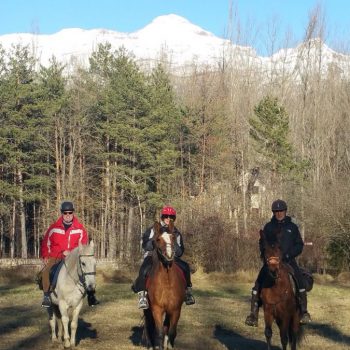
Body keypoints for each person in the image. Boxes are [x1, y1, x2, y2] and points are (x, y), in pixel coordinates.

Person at [245, 199, 311, 326]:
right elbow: (262, 243)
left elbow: (299, 245)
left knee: (299, 280)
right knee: (257, 284)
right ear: (273, 212)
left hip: (288, 260)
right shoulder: (268, 227)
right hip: (271, 262)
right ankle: (253, 315)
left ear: (285, 211)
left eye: (281, 211)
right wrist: (266, 256)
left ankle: (303, 312)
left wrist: (288, 255)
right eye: (276, 211)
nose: (279, 213)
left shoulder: (292, 227)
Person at [132, 205, 195, 309]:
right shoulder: (153, 229)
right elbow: (144, 244)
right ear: (162, 217)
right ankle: (142, 295)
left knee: (185, 267)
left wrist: (172, 243)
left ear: (174, 219)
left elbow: (180, 251)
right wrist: (154, 243)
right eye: (166, 216)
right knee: (144, 269)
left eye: (171, 217)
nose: (168, 219)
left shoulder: (176, 233)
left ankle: (188, 292)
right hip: (153, 256)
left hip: (171, 256)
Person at [40, 201, 100, 308]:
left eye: (70, 213)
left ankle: (91, 296)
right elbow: (46, 243)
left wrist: (72, 252)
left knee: (88, 273)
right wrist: (45, 256)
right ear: (62, 213)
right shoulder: (54, 228)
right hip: (56, 256)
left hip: (73, 258)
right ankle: (46, 296)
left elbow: (83, 246)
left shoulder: (80, 229)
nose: (68, 215)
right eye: (65, 213)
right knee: (46, 271)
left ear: (73, 213)